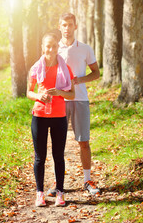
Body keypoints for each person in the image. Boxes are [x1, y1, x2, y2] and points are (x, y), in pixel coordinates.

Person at [48, 13, 100, 196]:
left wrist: (79, 80)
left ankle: (87, 180)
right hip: (59, 101)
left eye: (70, 25)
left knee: (83, 141)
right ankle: (57, 183)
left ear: (75, 26)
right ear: (59, 26)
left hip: (80, 100)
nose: (67, 28)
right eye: (64, 25)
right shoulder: (54, 49)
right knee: (58, 144)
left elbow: (96, 73)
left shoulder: (85, 49)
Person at [27, 32, 75, 207]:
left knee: (58, 156)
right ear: (42, 47)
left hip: (59, 117)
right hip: (39, 116)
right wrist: (40, 96)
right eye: (48, 46)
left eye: (54, 46)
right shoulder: (36, 68)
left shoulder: (65, 68)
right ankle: (39, 193)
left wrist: (60, 93)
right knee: (40, 157)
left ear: (57, 47)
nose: (51, 49)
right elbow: (28, 92)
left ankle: (60, 193)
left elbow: (72, 94)